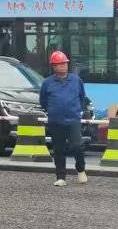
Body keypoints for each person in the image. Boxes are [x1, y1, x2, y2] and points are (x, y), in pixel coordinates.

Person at [38, 51, 88, 187]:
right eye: (60, 64)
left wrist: (78, 110)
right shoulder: (47, 83)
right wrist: (53, 111)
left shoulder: (76, 80)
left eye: (65, 63)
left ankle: (81, 169)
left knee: (77, 145)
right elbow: (43, 101)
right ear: (54, 67)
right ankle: (61, 177)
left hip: (73, 119)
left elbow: (82, 97)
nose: (63, 66)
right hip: (55, 121)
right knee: (58, 149)